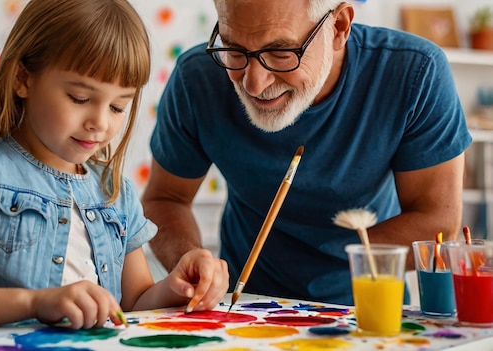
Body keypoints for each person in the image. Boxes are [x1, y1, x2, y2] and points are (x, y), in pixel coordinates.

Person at [0, 0, 228, 334]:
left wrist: (178, 286)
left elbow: (134, 303)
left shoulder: (113, 192)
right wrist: (33, 302)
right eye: (79, 98)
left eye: (118, 107)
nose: (99, 123)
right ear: (23, 79)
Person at [142, 0, 471, 306]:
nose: (253, 83)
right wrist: (190, 259)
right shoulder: (197, 77)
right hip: (242, 308)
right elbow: (165, 199)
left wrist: (331, 255)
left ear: (339, 27)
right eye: (235, 49)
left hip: (366, 309)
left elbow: (437, 222)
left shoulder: (414, 73)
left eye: (281, 53)